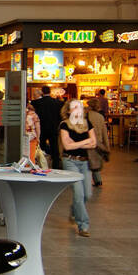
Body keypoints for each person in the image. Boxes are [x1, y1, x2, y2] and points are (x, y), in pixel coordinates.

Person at [59, 99, 96, 236]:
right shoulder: (64, 125)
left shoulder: (88, 124)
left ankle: (75, 210)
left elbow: (94, 144)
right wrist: (86, 141)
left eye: (79, 107)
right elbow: (67, 146)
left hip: (85, 162)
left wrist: (78, 143)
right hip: (70, 161)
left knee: (88, 194)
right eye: (74, 107)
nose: (78, 110)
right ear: (68, 111)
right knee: (79, 194)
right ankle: (83, 225)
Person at [32, 85, 63, 169]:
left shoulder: (36, 103)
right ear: (50, 92)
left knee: (41, 148)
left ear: (42, 92)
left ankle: (42, 166)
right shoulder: (58, 103)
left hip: (41, 129)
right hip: (53, 128)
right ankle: (55, 166)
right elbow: (61, 116)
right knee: (55, 148)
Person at [85, 98, 110, 188]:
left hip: (87, 141)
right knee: (95, 161)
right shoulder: (100, 116)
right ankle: (98, 181)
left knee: (87, 161)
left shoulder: (85, 115)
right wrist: (107, 146)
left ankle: (88, 181)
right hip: (98, 142)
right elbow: (104, 132)